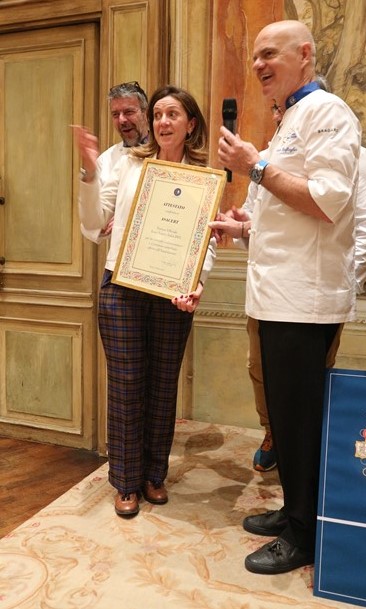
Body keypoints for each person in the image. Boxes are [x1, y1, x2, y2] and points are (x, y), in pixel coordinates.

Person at [213, 20, 362, 575]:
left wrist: (254, 165)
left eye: (269, 54)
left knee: (300, 423)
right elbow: (284, 217)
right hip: (276, 297)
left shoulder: (328, 113)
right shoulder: (289, 119)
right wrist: (242, 226)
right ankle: (294, 510)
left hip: (304, 300)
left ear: (305, 55)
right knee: (285, 419)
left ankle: (304, 535)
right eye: (255, 56)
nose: (258, 65)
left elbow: (326, 202)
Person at [73, 85, 216, 517]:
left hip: (173, 293)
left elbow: (206, 238)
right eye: (157, 115)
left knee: (162, 385)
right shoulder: (128, 165)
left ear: (190, 124)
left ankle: (154, 475)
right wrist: (89, 174)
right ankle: (126, 481)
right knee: (126, 385)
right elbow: (94, 221)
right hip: (122, 288)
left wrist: (198, 282)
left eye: (172, 114)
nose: (162, 122)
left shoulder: (203, 175)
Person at [226, 85, 366, 474]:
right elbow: (260, 222)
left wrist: (342, 281)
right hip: (268, 290)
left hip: (314, 294)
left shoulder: (352, 155)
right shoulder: (266, 157)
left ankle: (305, 457)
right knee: (260, 369)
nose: (281, 114)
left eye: (288, 105)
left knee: (307, 385)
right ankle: (274, 433)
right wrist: (242, 227)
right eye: (277, 107)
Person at [79, 80, 149, 242]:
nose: (122, 120)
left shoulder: (166, 152)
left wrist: (126, 217)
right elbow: (90, 221)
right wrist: (100, 227)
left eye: (129, 112)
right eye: (115, 114)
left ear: (145, 113)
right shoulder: (106, 160)